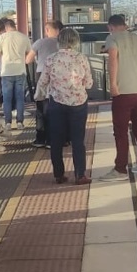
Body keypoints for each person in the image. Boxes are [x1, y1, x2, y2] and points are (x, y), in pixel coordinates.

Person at [102, 13, 137, 180]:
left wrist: (113, 84)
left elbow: (113, 60)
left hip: (123, 93)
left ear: (110, 27)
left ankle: (120, 169)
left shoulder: (112, 38)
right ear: (124, 24)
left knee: (121, 131)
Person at [37, 27, 93, 184]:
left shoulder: (51, 59)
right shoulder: (81, 58)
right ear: (76, 41)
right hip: (78, 103)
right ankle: (80, 175)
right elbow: (89, 83)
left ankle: (59, 175)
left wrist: (40, 95)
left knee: (56, 140)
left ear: (59, 41)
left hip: (57, 103)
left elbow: (43, 82)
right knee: (78, 140)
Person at [26, 20, 61, 148]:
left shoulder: (40, 43)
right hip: (58, 75)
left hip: (41, 74)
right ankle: (55, 139)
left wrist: (38, 59)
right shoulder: (62, 43)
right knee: (57, 106)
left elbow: (28, 59)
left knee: (41, 106)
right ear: (59, 30)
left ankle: (40, 139)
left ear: (47, 30)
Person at [0, 18, 33, 130]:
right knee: (20, 97)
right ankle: (20, 122)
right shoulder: (24, 37)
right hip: (20, 70)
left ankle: (8, 123)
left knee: (7, 98)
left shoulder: (2, 37)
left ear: (6, 27)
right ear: (14, 26)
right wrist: (25, 61)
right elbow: (29, 53)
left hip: (6, 72)